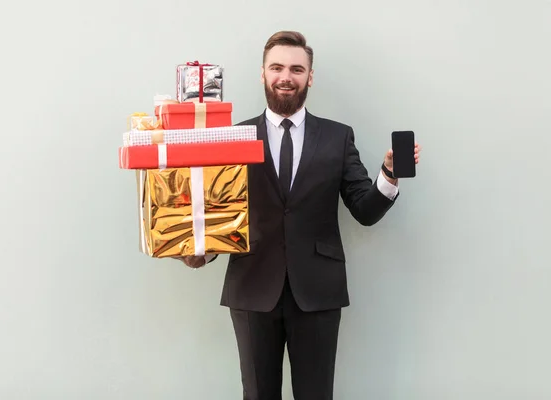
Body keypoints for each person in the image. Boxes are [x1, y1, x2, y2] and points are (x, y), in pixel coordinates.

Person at [180, 31, 421, 400]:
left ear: (310, 76)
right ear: (263, 73)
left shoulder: (338, 137)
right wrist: (201, 249)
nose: (285, 76)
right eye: (276, 67)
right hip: (252, 286)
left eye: (296, 68)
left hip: (318, 291)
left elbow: (364, 210)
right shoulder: (233, 136)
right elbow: (218, 210)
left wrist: (388, 175)